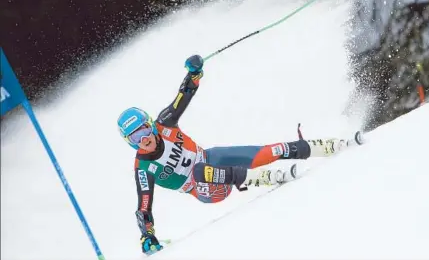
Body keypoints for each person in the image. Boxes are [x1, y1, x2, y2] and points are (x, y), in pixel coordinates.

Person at [117, 55, 351, 255]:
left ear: (150, 124)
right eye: (136, 138)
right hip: (206, 189)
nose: (144, 139)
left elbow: (184, 94)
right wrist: (147, 236)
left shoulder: (165, 123)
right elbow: (144, 207)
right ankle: (261, 178)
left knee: (267, 152)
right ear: (130, 143)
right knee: (198, 171)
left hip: (213, 158)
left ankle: (327, 146)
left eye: (145, 130)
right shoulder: (143, 169)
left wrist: (195, 72)